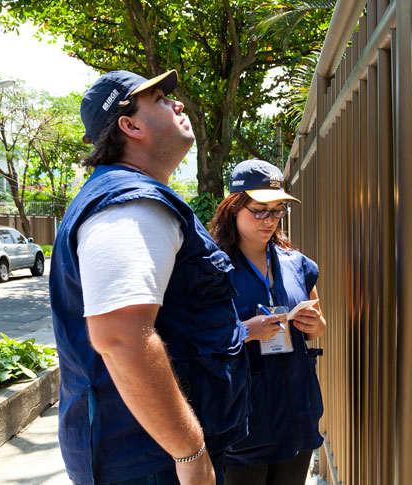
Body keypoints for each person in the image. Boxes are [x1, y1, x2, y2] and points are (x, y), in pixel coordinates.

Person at [49, 71, 283, 485]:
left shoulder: (132, 196)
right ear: (130, 125)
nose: (177, 104)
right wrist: (189, 450)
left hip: (151, 453)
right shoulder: (130, 203)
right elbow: (120, 336)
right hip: (153, 462)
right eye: (159, 98)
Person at [208, 159, 327, 485]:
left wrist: (314, 325)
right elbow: (196, 338)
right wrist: (247, 331)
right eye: (259, 210)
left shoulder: (296, 263)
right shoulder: (213, 268)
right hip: (244, 419)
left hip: (296, 414)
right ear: (233, 208)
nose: (269, 220)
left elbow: (320, 325)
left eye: (276, 211)